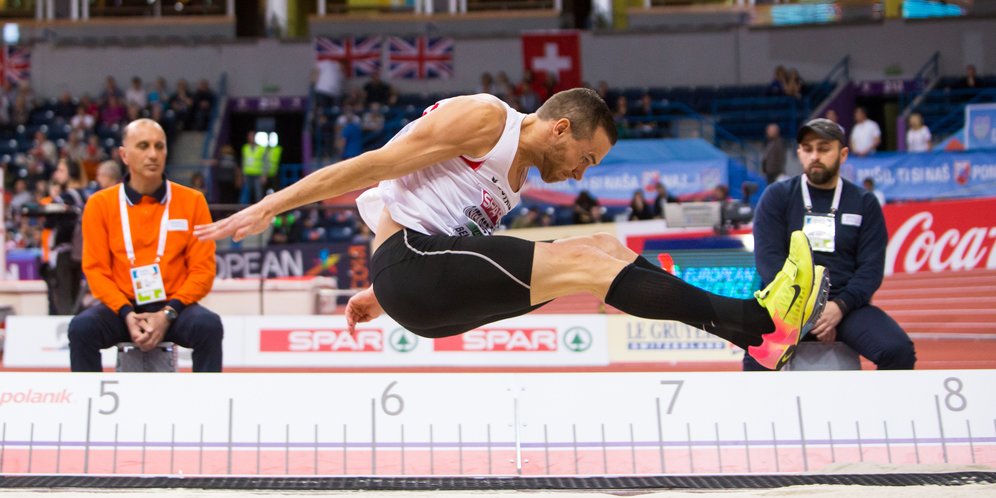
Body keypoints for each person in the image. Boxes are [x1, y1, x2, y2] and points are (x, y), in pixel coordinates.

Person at [195, 89, 827, 371]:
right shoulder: (485, 121)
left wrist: (379, 296)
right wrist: (273, 203)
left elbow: (423, 213)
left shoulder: (516, 178)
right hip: (412, 265)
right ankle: (758, 327)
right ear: (559, 127)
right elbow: (377, 168)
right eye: (586, 157)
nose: (581, 175)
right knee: (584, 258)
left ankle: (756, 334)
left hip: (413, 280)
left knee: (604, 248)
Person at [747, 118, 915, 371]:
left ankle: (880, 411)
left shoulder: (864, 203)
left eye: (824, 148)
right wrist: (807, 313)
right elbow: (768, 261)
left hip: (844, 306)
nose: (815, 155)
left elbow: (870, 270)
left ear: (843, 153)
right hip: (787, 305)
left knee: (897, 351)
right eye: (808, 148)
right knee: (755, 352)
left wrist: (840, 307)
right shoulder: (777, 197)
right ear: (800, 152)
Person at [68, 119, 223, 372]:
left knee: (209, 326)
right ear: (124, 155)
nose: (153, 154)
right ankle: (89, 406)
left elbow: (203, 271)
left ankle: (208, 408)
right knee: (81, 329)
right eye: (143, 146)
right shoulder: (100, 204)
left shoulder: (192, 201)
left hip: (174, 309)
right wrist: (126, 313)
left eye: (159, 146)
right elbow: (95, 270)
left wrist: (168, 314)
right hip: (121, 309)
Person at [41, 158, 88, 315]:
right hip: (81, 254)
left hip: (64, 253)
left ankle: (67, 337)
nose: (56, 174)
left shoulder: (64, 197)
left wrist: (54, 200)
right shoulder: (86, 195)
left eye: (61, 170)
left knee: (64, 302)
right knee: (76, 299)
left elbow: (48, 222)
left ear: (71, 173)